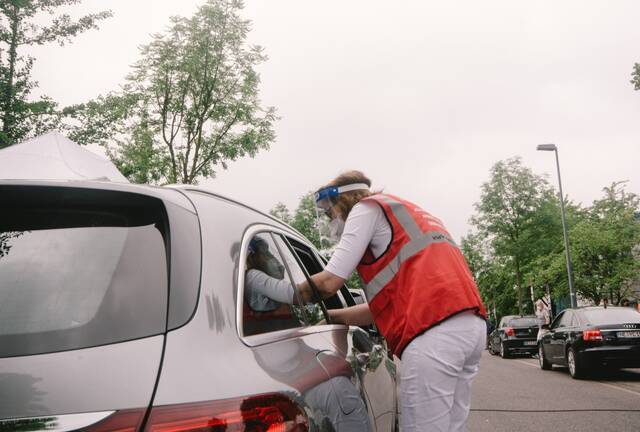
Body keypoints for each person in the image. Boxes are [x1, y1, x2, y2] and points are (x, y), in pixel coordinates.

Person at [296, 170, 487, 432]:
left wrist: (283, 293)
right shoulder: (405, 213)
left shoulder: (365, 210)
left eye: (330, 213)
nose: (331, 222)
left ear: (345, 200)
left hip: (434, 335)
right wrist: (335, 317)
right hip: (468, 328)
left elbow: (329, 282)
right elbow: (381, 309)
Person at [244, 236, 295, 311]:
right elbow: (297, 294)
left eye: (268, 254)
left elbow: (281, 270)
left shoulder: (259, 274)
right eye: (265, 254)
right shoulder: (253, 276)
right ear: (254, 257)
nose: (280, 266)